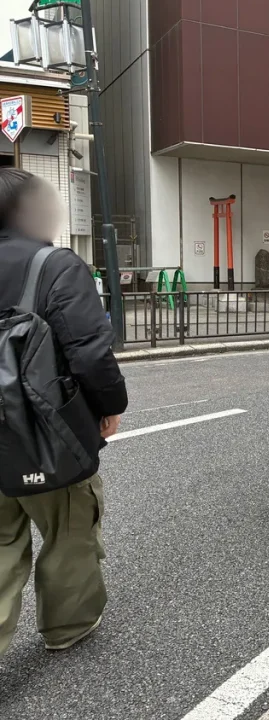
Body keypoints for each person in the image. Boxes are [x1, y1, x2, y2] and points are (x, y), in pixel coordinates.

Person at [0, 169, 128, 656]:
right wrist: (110, 407)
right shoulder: (54, 265)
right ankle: (67, 627)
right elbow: (90, 352)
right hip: (46, 433)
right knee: (69, 529)